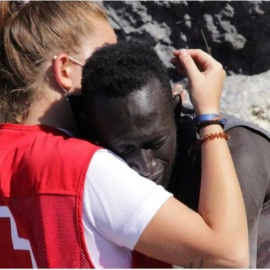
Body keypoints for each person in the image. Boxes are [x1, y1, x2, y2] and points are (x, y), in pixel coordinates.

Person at [0, 1, 248, 268]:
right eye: (104, 54)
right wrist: (209, 116)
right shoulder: (87, 168)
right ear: (64, 70)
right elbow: (229, 255)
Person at [81, 40, 270, 268]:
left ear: (176, 109)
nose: (145, 167)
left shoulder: (238, 152)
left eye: (156, 143)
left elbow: (228, 265)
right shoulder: (90, 157)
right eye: (125, 150)